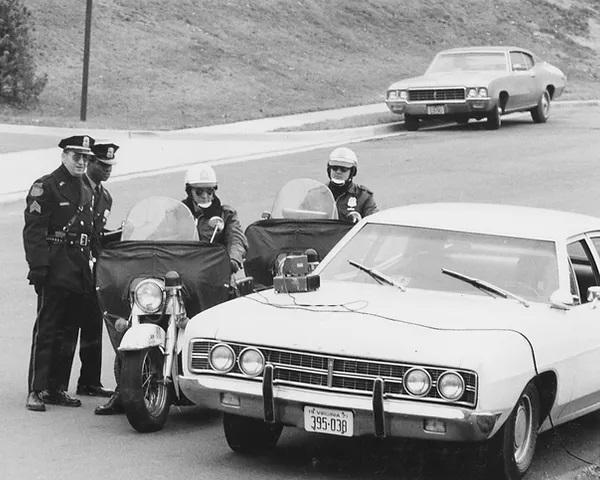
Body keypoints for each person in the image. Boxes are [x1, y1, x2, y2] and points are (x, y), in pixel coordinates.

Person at [23, 135, 96, 411]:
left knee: (69, 330)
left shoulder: (87, 188)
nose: (81, 162)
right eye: (77, 156)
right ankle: (37, 388)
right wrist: (38, 266)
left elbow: (90, 232)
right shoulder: (47, 187)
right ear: (64, 155)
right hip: (55, 265)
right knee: (48, 328)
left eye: (86, 158)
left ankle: (57, 388)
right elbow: (34, 230)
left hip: (78, 266)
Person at [76, 144, 119, 399]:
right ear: (90, 163)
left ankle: (90, 381)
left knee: (94, 326)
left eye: (110, 167)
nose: (107, 170)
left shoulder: (105, 196)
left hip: (94, 268)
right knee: (65, 328)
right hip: (73, 265)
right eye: (102, 165)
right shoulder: (77, 188)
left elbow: (98, 235)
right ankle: (51, 385)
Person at [181, 164, 247, 273]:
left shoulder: (226, 214)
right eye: (199, 191)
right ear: (189, 192)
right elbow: (162, 236)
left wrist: (232, 260)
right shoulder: (177, 214)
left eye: (209, 191)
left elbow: (236, 240)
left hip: (215, 271)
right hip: (184, 269)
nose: (205, 196)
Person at [326, 146, 378, 223]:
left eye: (344, 169)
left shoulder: (363, 196)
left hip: (349, 234)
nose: (338, 172)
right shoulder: (316, 194)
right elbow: (302, 218)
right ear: (329, 170)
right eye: (334, 168)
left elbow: (373, 223)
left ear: (352, 172)